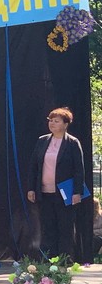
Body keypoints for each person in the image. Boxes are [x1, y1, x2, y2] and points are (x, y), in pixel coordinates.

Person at [27, 107, 84, 259]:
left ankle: (65, 260)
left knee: (65, 228)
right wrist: (31, 188)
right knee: (48, 228)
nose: (52, 123)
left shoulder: (72, 143)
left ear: (65, 124)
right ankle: (49, 260)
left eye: (56, 121)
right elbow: (34, 167)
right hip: (44, 193)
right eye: (50, 120)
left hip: (65, 193)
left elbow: (79, 169)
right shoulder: (42, 140)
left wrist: (77, 192)